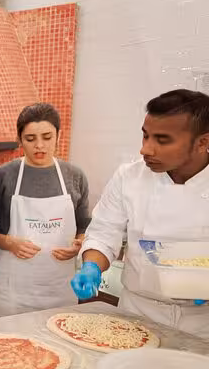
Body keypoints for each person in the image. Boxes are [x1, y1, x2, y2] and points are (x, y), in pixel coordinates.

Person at [72, 89, 209, 338]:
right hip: (137, 312)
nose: (145, 150)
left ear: (203, 142)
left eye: (162, 140)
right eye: (145, 136)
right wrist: (91, 266)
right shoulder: (129, 177)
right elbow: (104, 232)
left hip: (202, 323)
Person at [0, 103, 90, 318]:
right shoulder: (2, 176)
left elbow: (84, 224)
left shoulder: (75, 176)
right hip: (11, 293)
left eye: (47, 137)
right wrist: (8, 243)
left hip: (60, 290)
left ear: (58, 136)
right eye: (30, 139)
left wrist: (80, 244)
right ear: (20, 139)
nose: (39, 146)